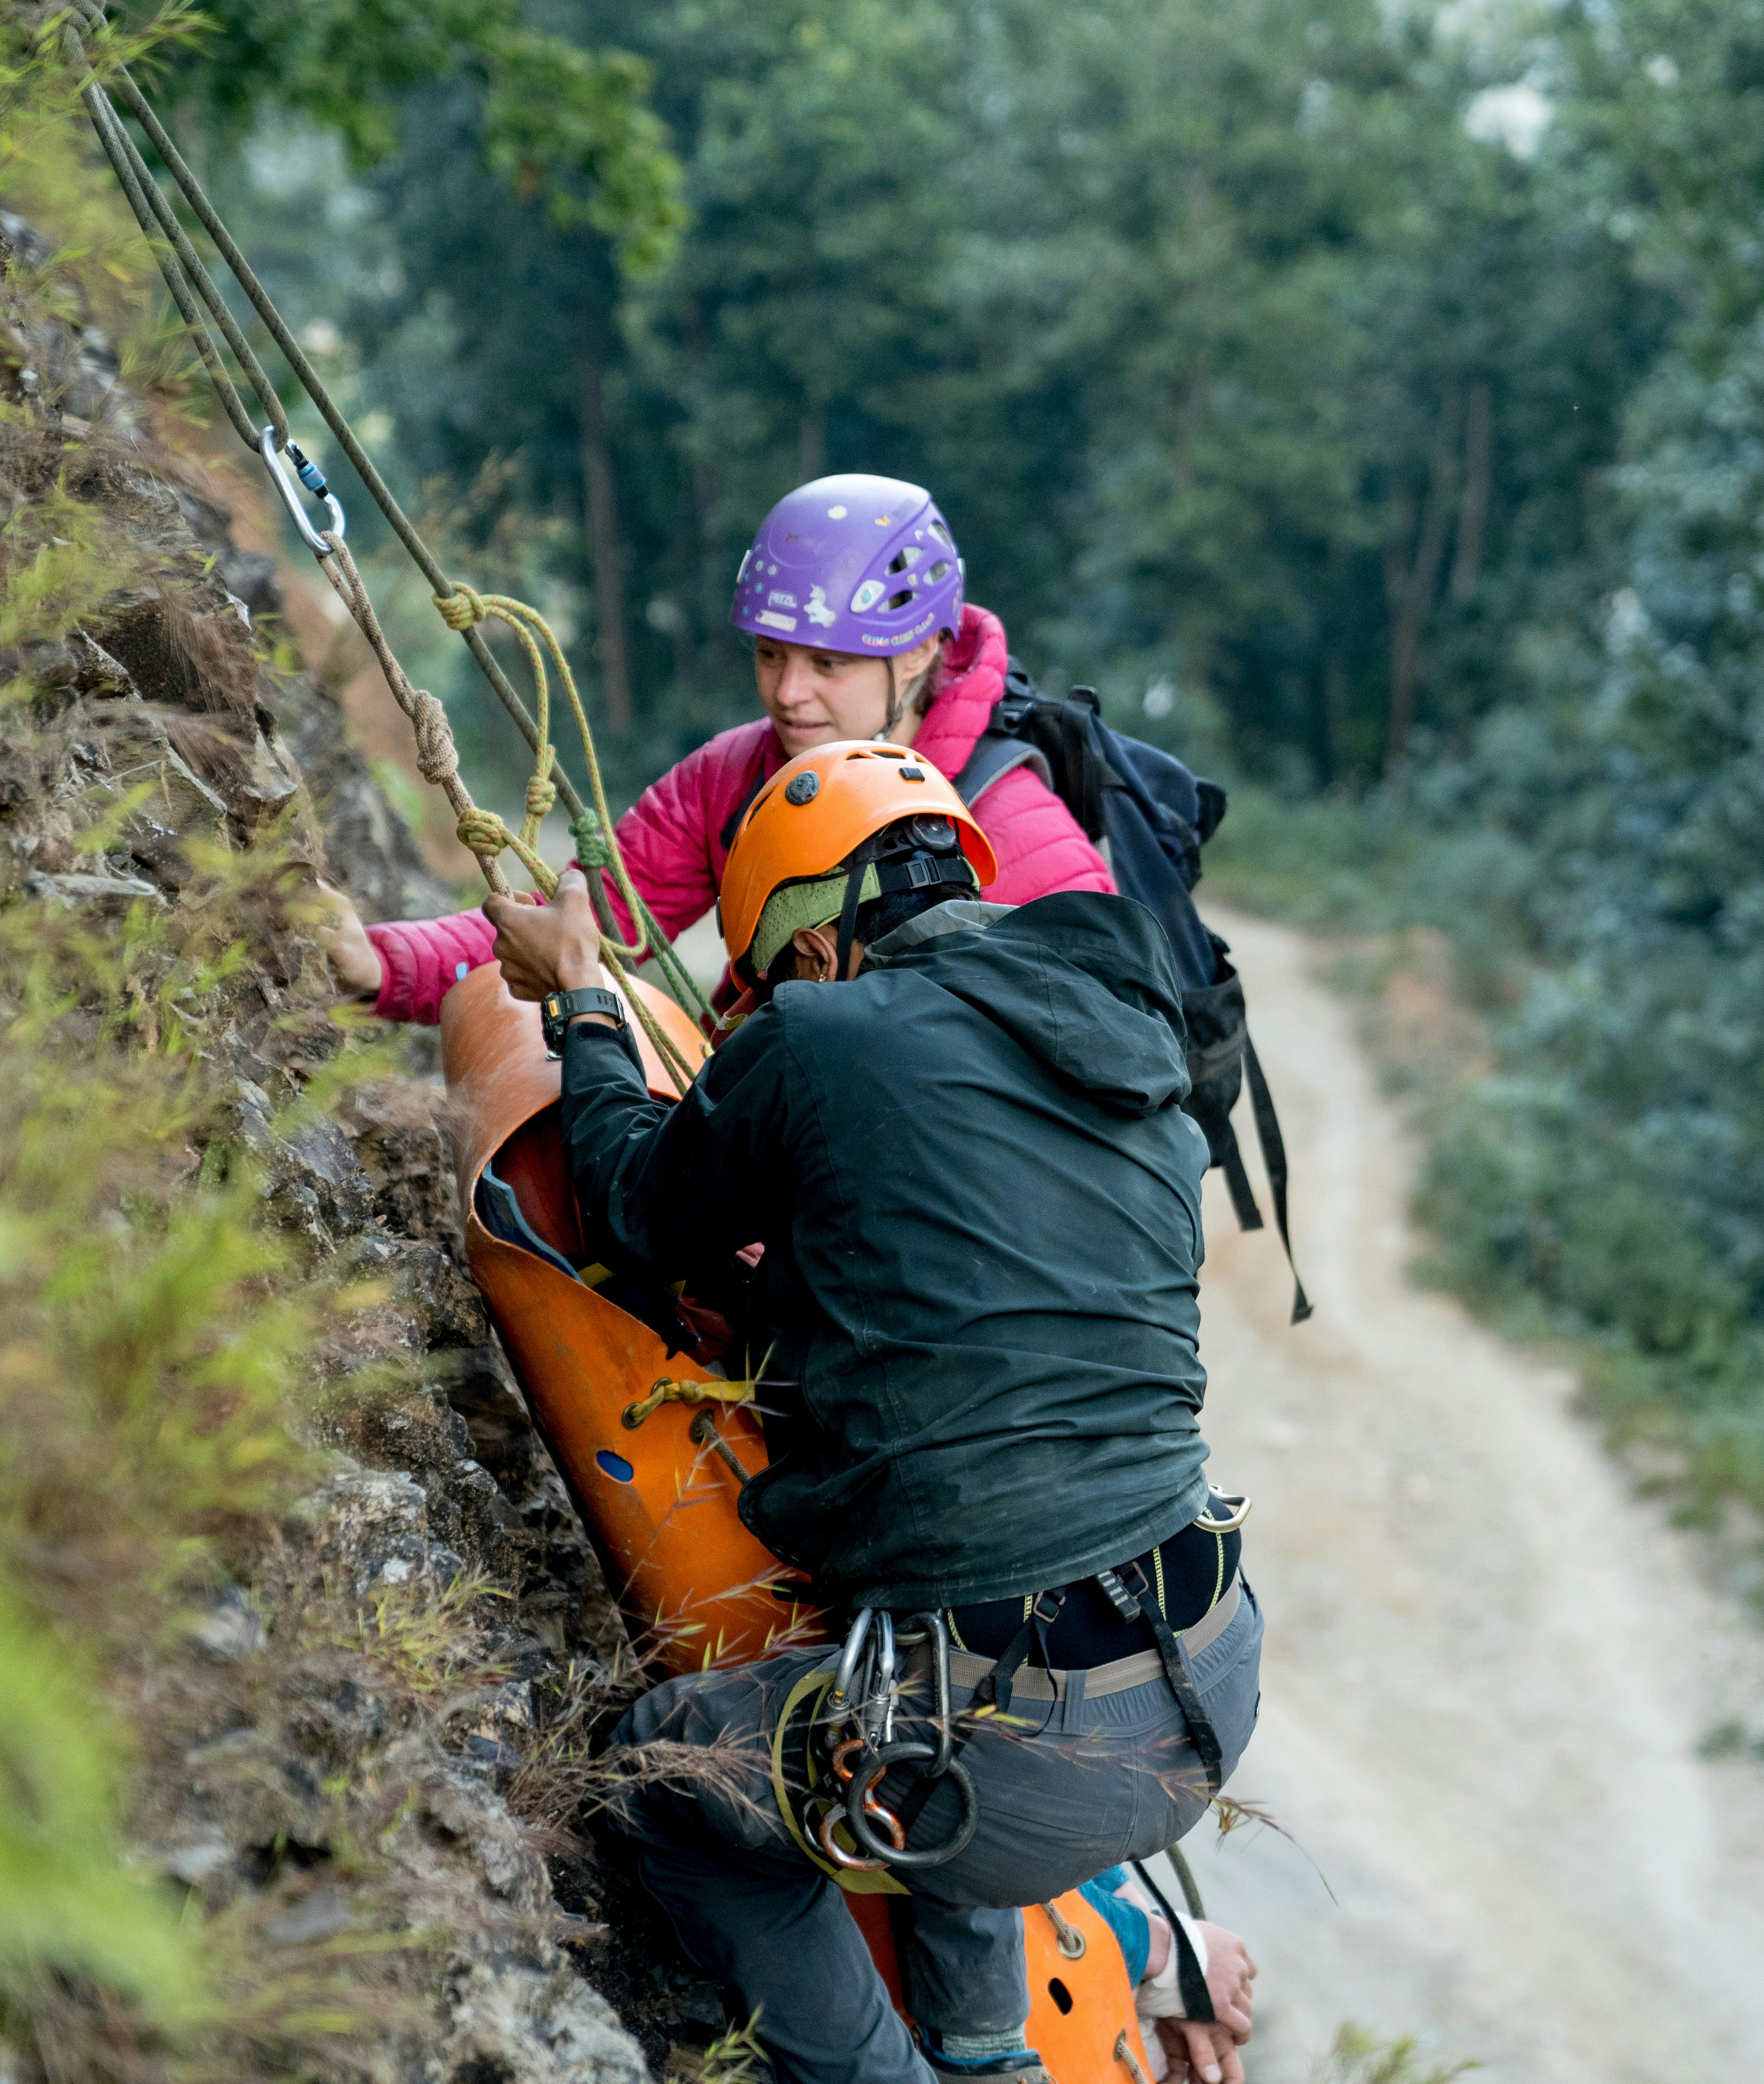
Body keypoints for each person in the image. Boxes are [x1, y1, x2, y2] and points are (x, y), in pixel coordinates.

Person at [484, 745, 1260, 2084]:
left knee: (666, 1775)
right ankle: (986, 2055)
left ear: (811, 943)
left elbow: (632, 1208)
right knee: (955, 1617)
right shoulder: (1129, 1049)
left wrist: (589, 1004)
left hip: (1008, 1749)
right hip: (1213, 1677)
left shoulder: (818, 1034)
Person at [321, 474, 1110, 1017]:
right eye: (769, 654)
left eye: (827, 664)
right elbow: (585, 918)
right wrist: (380, 963)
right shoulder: (739, 779)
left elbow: (1102, 1054)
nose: (787, 693)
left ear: (920, 653)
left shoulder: (1019, 838)